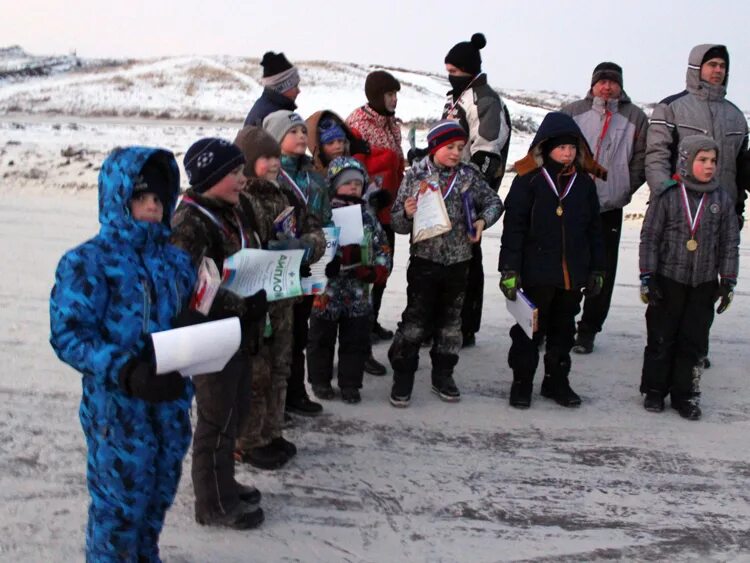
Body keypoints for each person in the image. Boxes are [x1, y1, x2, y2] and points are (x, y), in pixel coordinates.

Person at [49, 147, 198, 560]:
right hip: (117, 412)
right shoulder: (87, 262)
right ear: (117, 198)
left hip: (169, 406)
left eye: (158, 198)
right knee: (118, 512)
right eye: (140, 197)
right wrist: (126, 370)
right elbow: (68, 333)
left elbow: (189, 313)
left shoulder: (176, 261)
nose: (151, 206)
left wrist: (206, 325)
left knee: (157, 499)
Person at [171, 137, 269, 530]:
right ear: (210, 177)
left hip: (237, 332)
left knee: (234, 412)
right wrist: (241, 303)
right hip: (211, 337)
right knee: (216, 419)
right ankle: (213, 503)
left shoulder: (229, 208)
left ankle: (223, 482)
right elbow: (189, 290)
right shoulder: (190, 223)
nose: (243, 180)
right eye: (234, 173)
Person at [646, 43, 748, 368]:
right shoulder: (671, 108)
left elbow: (740, 166)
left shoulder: (736, 115)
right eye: (711, 64)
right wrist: (665, 194)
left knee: (705, 288)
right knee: (668, 287)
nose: (718, 70)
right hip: (677, 215)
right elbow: (657, 155)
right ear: (696, 68)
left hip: (719, 213)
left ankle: (695, 350)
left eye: (722, 65)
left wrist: (738, 206)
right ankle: (661, 351)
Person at [388, 120, 503, 407]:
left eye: (460, 148)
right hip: (424, 261)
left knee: (451, 324)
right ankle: (403, 374)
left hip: (459, 261)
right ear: (435, 146)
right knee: (415, 321)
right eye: (449, 147)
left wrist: (481, 221)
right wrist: (406, 210)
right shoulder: (415, 175)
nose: (455, 153)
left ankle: (443, 374)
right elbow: (397, 223)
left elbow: (495, 203)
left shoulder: (469, 175)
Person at [233, 125, 326, 469]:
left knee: (280, 367)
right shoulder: (241, 200)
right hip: (255, 301)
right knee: (256, 373)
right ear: (246, 162)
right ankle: (249, 440)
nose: (273, 164)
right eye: (264, 158)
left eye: (276, 156)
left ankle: (272, 431)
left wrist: (303, 247)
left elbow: (316, 231)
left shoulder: (286, 195)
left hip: (285, 296)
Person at [499, 112, 605, 409]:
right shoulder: (528, 181)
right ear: (546, 147)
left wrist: (597, 268)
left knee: (563, 331)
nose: (567, 153)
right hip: (535, 274)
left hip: (571, 276)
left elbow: (595, 230)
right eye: (561, 148)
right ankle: (522, 382)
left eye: (572, 148)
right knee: (527, 331)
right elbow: (514, 228)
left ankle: (556, 381)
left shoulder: (584, 184)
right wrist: (509, 268)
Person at [639, 135, 739, 420]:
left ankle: (686, 394)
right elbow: (650, 238)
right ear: (686, 161)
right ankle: (655, 390)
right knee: (662, 337)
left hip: (704, 283)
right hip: (668, 280)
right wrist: (648, 275)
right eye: (702, 160)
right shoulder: (668, 195)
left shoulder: (721, 198)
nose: (709, 167)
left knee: (693, 342)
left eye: (713, 161)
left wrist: (728, 280)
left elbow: (729, 243)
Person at [561, 62, 648, 354]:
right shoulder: (573, 112)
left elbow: (641, 159)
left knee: (604, 268)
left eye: (613, 81)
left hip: (610, 205)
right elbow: (554, 149)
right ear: (593, 84)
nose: (607, 86)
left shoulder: (635, 117)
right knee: (568, 262)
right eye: (602, 81)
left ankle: (589, 329)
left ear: (621, 85)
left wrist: (625, 187)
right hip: (573, 203)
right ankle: (561, 321)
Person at [442, 33, 512, 347]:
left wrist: (472, 193)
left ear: (469, 71)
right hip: (444, 189)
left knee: (468, 257)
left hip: (469, 191)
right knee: (443, 258)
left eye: (455, 72)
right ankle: (443, 318)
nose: (450, 77)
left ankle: (466, 325)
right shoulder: (454, 98)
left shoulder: (486, 101)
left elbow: (488, 151)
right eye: (448, 71)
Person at [262, 109, 331, 416]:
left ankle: (295, 392)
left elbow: (326, 217)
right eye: (293, 132)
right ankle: (274, 399)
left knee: (300, 329)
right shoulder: (271, 177)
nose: (302, 136)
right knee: (278, 335)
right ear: (276, 139)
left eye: (304, 131)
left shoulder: (315, 175)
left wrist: (328, 252)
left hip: (309, 261)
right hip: (278, 266)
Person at [308, 157, 392, 403]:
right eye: (347, 183)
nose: (353, 187)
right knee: (320, 340)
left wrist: (377, 270)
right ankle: (320, 381)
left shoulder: (367, 216)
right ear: (333, 185)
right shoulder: (324, 214)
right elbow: (311, 247)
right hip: (326, 292)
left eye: (358, 182)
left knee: (355, 341)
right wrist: (322, 265)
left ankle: (350, 384)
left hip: (357, 293)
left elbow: (382, 247)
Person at [346, 71, 404, 346]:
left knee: (384, 267)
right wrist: (369, 196)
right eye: (390, 94)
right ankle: (359, 329)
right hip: (367, 213)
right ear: (376, 96)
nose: (394, 100)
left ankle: (372, 320)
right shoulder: (358, 124)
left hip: (388, 211)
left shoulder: (392, 125)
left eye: (395, 94)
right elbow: (351, 170)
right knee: (366, 269)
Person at [244, 51, 301, 127]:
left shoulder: (269, 106)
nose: (298, 91)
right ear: (282, 87)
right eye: (295, 86)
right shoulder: (274, 116)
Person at [306, 109, 369, 174]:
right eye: (330, 143)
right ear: (318, 147)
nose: (338, 146)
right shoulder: (311, 176)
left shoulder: (355, 162)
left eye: (340, 141)